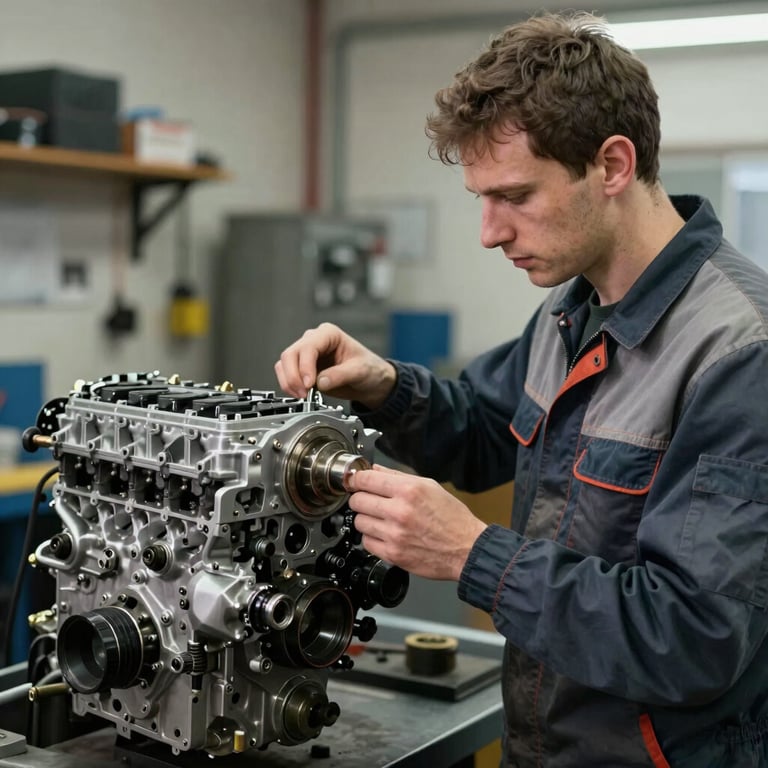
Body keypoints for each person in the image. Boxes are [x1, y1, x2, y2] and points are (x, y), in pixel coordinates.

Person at [275, 11, 768, 767]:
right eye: (481, 197)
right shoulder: (572, 310)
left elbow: (693, 640)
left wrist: (474, 553)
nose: (489, 232)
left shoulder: (739, 352)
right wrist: (384, 388)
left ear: (611, 165)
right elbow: (484, 430)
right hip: (541, 743)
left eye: (514, 195)